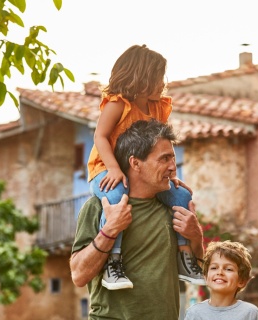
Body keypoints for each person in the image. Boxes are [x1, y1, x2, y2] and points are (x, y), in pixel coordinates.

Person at [86, 44, 204, 289]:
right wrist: (114, 169)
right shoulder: (118, 104)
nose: (163, 83)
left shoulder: (158, 107)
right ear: (141, 77)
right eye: (158, 77)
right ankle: (113, 263)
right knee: (117, 197)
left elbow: (162, 147)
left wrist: (171, 174)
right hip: (105, 169)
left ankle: (184, 256)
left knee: (182, 196)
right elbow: (100, 137)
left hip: (140, 173)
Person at [70, 120, 204, 319]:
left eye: (173, 159)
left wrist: (195, 236)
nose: (173, 167)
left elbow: (199, 266)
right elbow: (79, 275)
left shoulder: (172, 208)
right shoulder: (100, 206)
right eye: (164, 159)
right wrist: (110, 230)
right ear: (135, 163)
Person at [184, 241, 258, 320]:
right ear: (206, 277)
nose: (220, 272)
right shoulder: (194, 313)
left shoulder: (250, 312)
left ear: (241, 281)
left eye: (228, 269)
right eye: (214, 268)